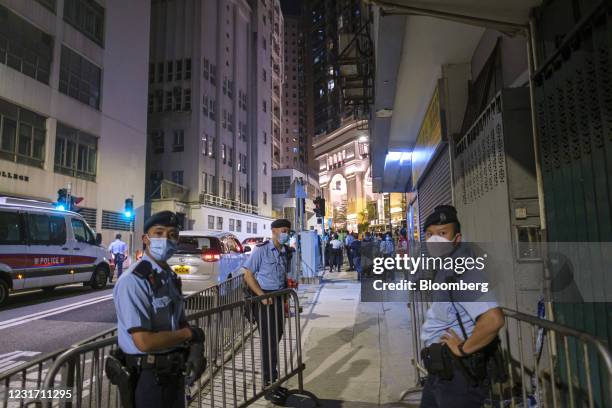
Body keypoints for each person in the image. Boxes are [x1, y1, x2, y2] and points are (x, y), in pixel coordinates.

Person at [112, 211, 206, 408]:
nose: (165, 239)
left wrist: (194, 347)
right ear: (145, 239)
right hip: (148, 377)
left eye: (172, 234)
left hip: (174, 372)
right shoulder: (133, 280)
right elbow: (144, 342)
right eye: (159, 233)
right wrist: (189, 334)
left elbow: (179, 320)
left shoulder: (169, 277)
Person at [419, 205, 505, 408]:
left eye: (442, 233)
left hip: (458, 374)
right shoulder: (446, 265)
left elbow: (493, 319)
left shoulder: (463, 270)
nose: (435, 240)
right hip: (441, 370)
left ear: (456, 238)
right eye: (430, 234)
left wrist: (463, 350)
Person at [240, 218, 293, 405]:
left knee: (276, 337)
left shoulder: (285, 251)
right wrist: (261, 295)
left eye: (288, 230)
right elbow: (248, 274)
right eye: (283, 230)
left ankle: (273, 380)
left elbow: (284, 274)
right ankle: (268, 385)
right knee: (268, 342)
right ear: (274, 231)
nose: (286, 233)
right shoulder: (261, 250)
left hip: (279, 298)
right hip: (265, 300)